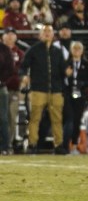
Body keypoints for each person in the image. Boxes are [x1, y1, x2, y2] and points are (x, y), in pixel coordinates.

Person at [19, 25, 68, 154]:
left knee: (57, 119)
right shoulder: (33, 50)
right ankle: (32, 144)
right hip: (38, 89)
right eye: (44, 31)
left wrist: (67, 72)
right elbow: (24, 66)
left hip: (56, 90)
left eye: (49, 31)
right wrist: (24, 76)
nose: (47, 33)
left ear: (53, 35)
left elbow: (63, 70)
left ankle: (59, 145)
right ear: (40, 35)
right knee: (35, 118)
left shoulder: (58, 51)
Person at [0, 39, 14, 155]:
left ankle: (5, 146)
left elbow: (10, 69)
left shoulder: (4, 50)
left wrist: (1, 80)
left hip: (0, 88)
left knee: (3, 118)